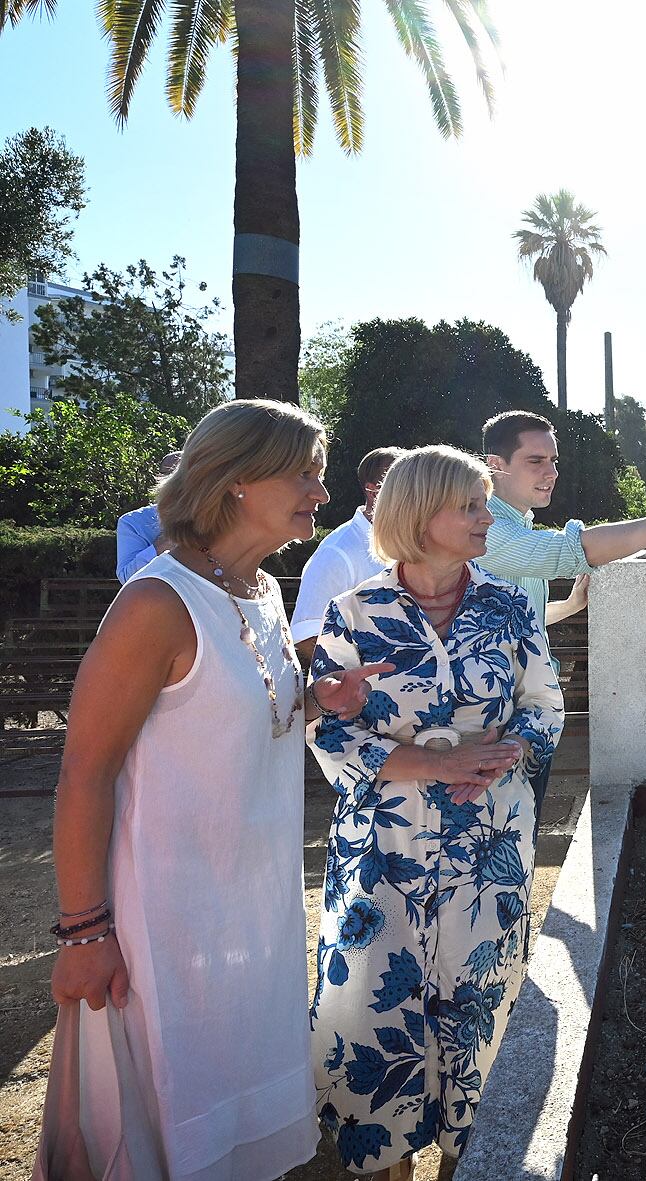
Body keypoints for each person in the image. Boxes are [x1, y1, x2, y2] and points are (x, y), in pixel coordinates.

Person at [50, 400, 386, 1181]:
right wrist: (82, 931)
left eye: (321, 473)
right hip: (164, 926)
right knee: (166, 1126)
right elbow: (84, 772)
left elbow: (239, 708)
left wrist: (314, 695)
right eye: (303, 472)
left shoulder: (262, 588)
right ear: (235, 478)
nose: (320, 492)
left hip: (252, 916)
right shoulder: (156, 602)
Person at [306, 446, 563, 1181]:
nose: (489, 518)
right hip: (382, 852)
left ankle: (467, 1161)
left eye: (486, 504)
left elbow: (544, 705)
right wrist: (434, 763)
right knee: (377, 1009)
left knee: (478, 1003)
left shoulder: (509, 606)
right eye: (472, 506)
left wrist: (505, 750)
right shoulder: (355, 612)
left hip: (489, 847)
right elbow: (329, 730)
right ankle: (389, 1165)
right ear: (421, 515)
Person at [478, 409, 646, 830]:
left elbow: (515, 617)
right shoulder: (489, 529)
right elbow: (570, 551)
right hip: (494, 722)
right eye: (535, 461)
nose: (551, 472)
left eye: (554, 461)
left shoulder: (515, 527)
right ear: (495, 464)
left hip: (525, 717)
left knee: (518, 838)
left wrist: (568, 607)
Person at [291, 446, 408, 661]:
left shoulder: (411, 543)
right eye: (403, 484)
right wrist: (363, 680)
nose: (415, 493)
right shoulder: (338, 552)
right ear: (373, 491)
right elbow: (306, 636)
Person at [114, 449, 181, 581]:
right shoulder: (133, 523)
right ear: (161, 482)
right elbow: (127, 578)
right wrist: (171, 538)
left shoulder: (219, 518)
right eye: (176, 478)